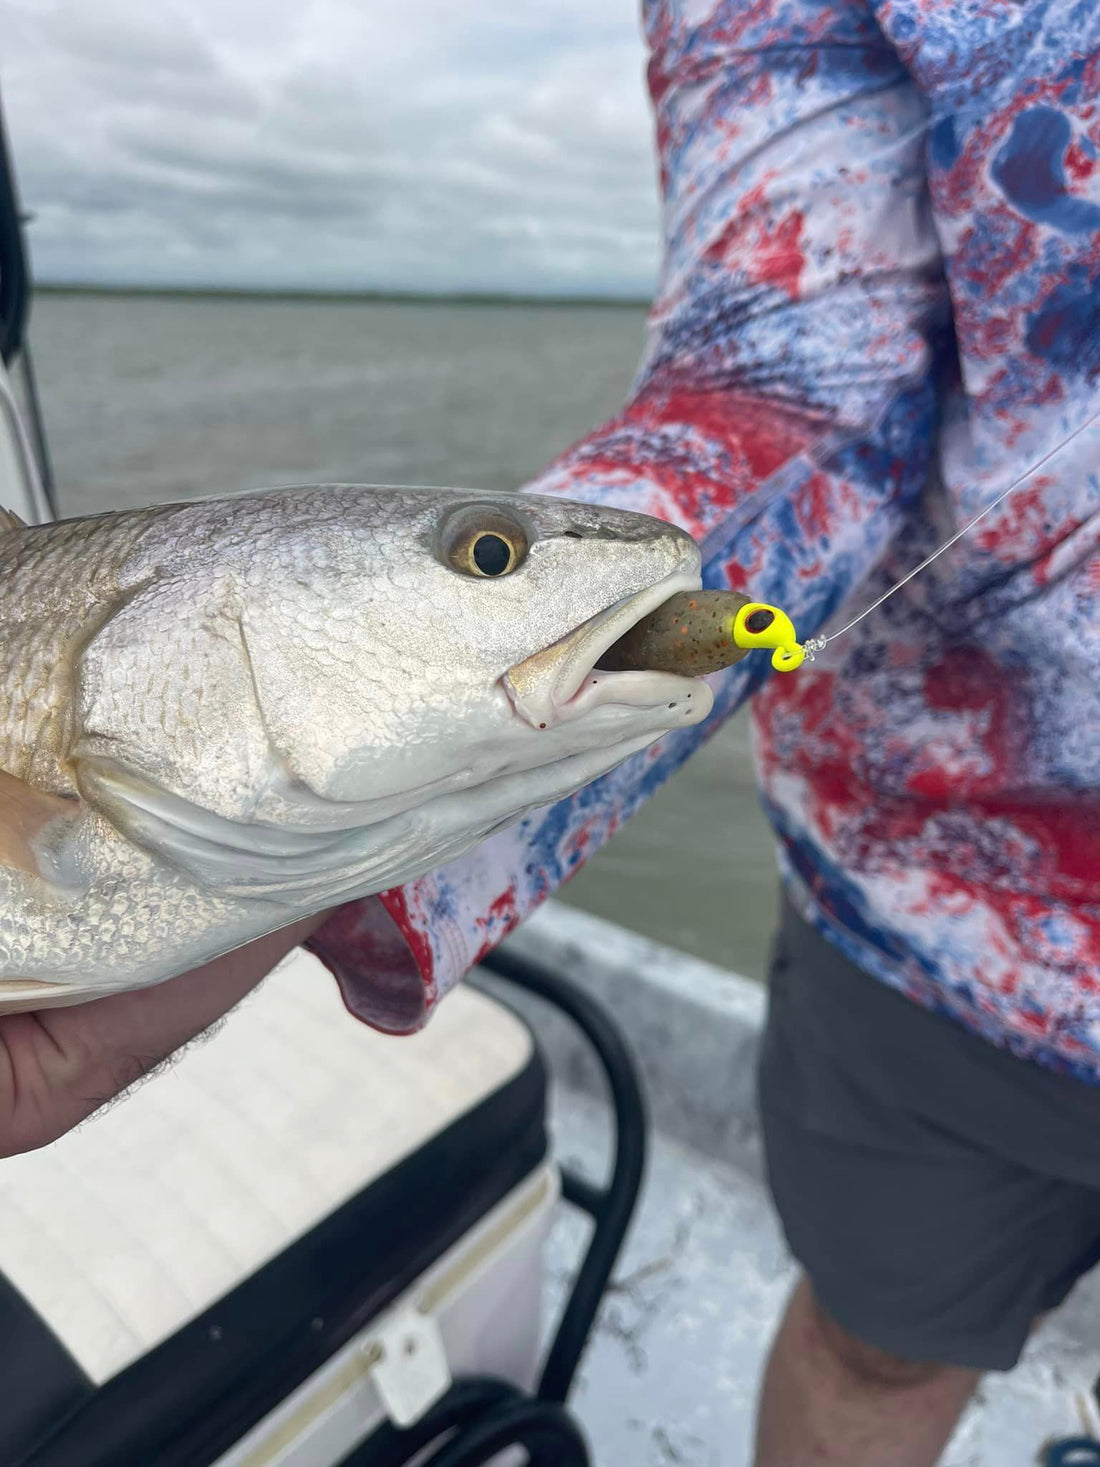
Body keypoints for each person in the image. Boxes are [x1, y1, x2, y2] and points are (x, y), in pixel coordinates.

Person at [3, 2, 1096, 1464]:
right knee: (881, 1348)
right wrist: (339, 871)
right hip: (952, 925)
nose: (519, 572)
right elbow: (801, 367)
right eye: (489, 559)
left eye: (488, 560)